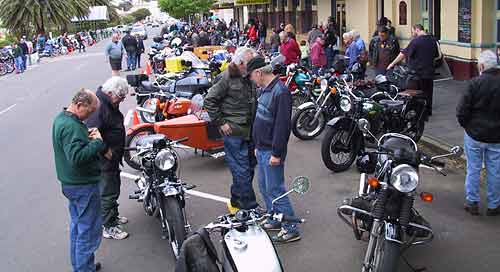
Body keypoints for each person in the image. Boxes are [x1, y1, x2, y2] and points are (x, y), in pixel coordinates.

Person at [52, 89, 110, 272]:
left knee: (78, 226)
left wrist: (85, 135)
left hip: (71, 184)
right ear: (79, 105)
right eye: (90, 111)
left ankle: (83, 265)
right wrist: (97, 142)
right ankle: (84, 269)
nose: (91, 115)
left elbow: (72, 149)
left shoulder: (62, 119)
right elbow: (77, 157)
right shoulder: (71, 127)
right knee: (88, 230)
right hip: (82, 185)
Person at [247, 57, 300, 243]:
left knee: (276, 190)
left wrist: (277, 153)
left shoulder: (281, 92)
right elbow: (260, 120)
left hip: (271, 151)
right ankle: (274, 218)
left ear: (259, 73)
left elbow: (282, 127)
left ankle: (291, 228)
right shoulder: (265, 90)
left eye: (252, 76)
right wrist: (256, 146)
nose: (251, 79)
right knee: (264, 187)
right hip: (262, 149)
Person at [204, 47, 258, 211]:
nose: (253, 67)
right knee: (242, 170)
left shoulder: (247, 76)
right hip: (234, 132)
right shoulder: (226, 77)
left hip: (249, 131)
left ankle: (236, 199)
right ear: (241, 63)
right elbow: (209, 101)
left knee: (247, 168)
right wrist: (221, 122)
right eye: (250, 63)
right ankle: (250, 207)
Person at [86, 77, 130, 239]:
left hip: (110, 158)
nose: (121, 101)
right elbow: (91, 132)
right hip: (104, 159)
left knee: (113, 188)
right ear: (111, 93)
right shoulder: (100, 107)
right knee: (108, 192)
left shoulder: (107, 103)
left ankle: (113, 216)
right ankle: (109, 225)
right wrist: (106, 150)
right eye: (120, 97)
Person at [457, 50, 500, 216]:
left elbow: (462, 111)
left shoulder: (474, 83)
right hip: (496, 135)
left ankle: (472, 202)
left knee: (473, 168)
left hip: (474, 134)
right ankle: (494, 204)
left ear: (481, 66)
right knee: (495, 170)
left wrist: (466, 125)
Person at [387, 24, 438, 116]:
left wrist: (392, 63)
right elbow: (436, 55)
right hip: (429, 72)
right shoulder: (433, 40)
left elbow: (404, 53)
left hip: (417, 73)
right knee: (428, 92)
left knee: (417, 93)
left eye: (413, 31)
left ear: (417, 30)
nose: (412, 33)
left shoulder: (416, 42)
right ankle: (428, 111)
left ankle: (419, 113)